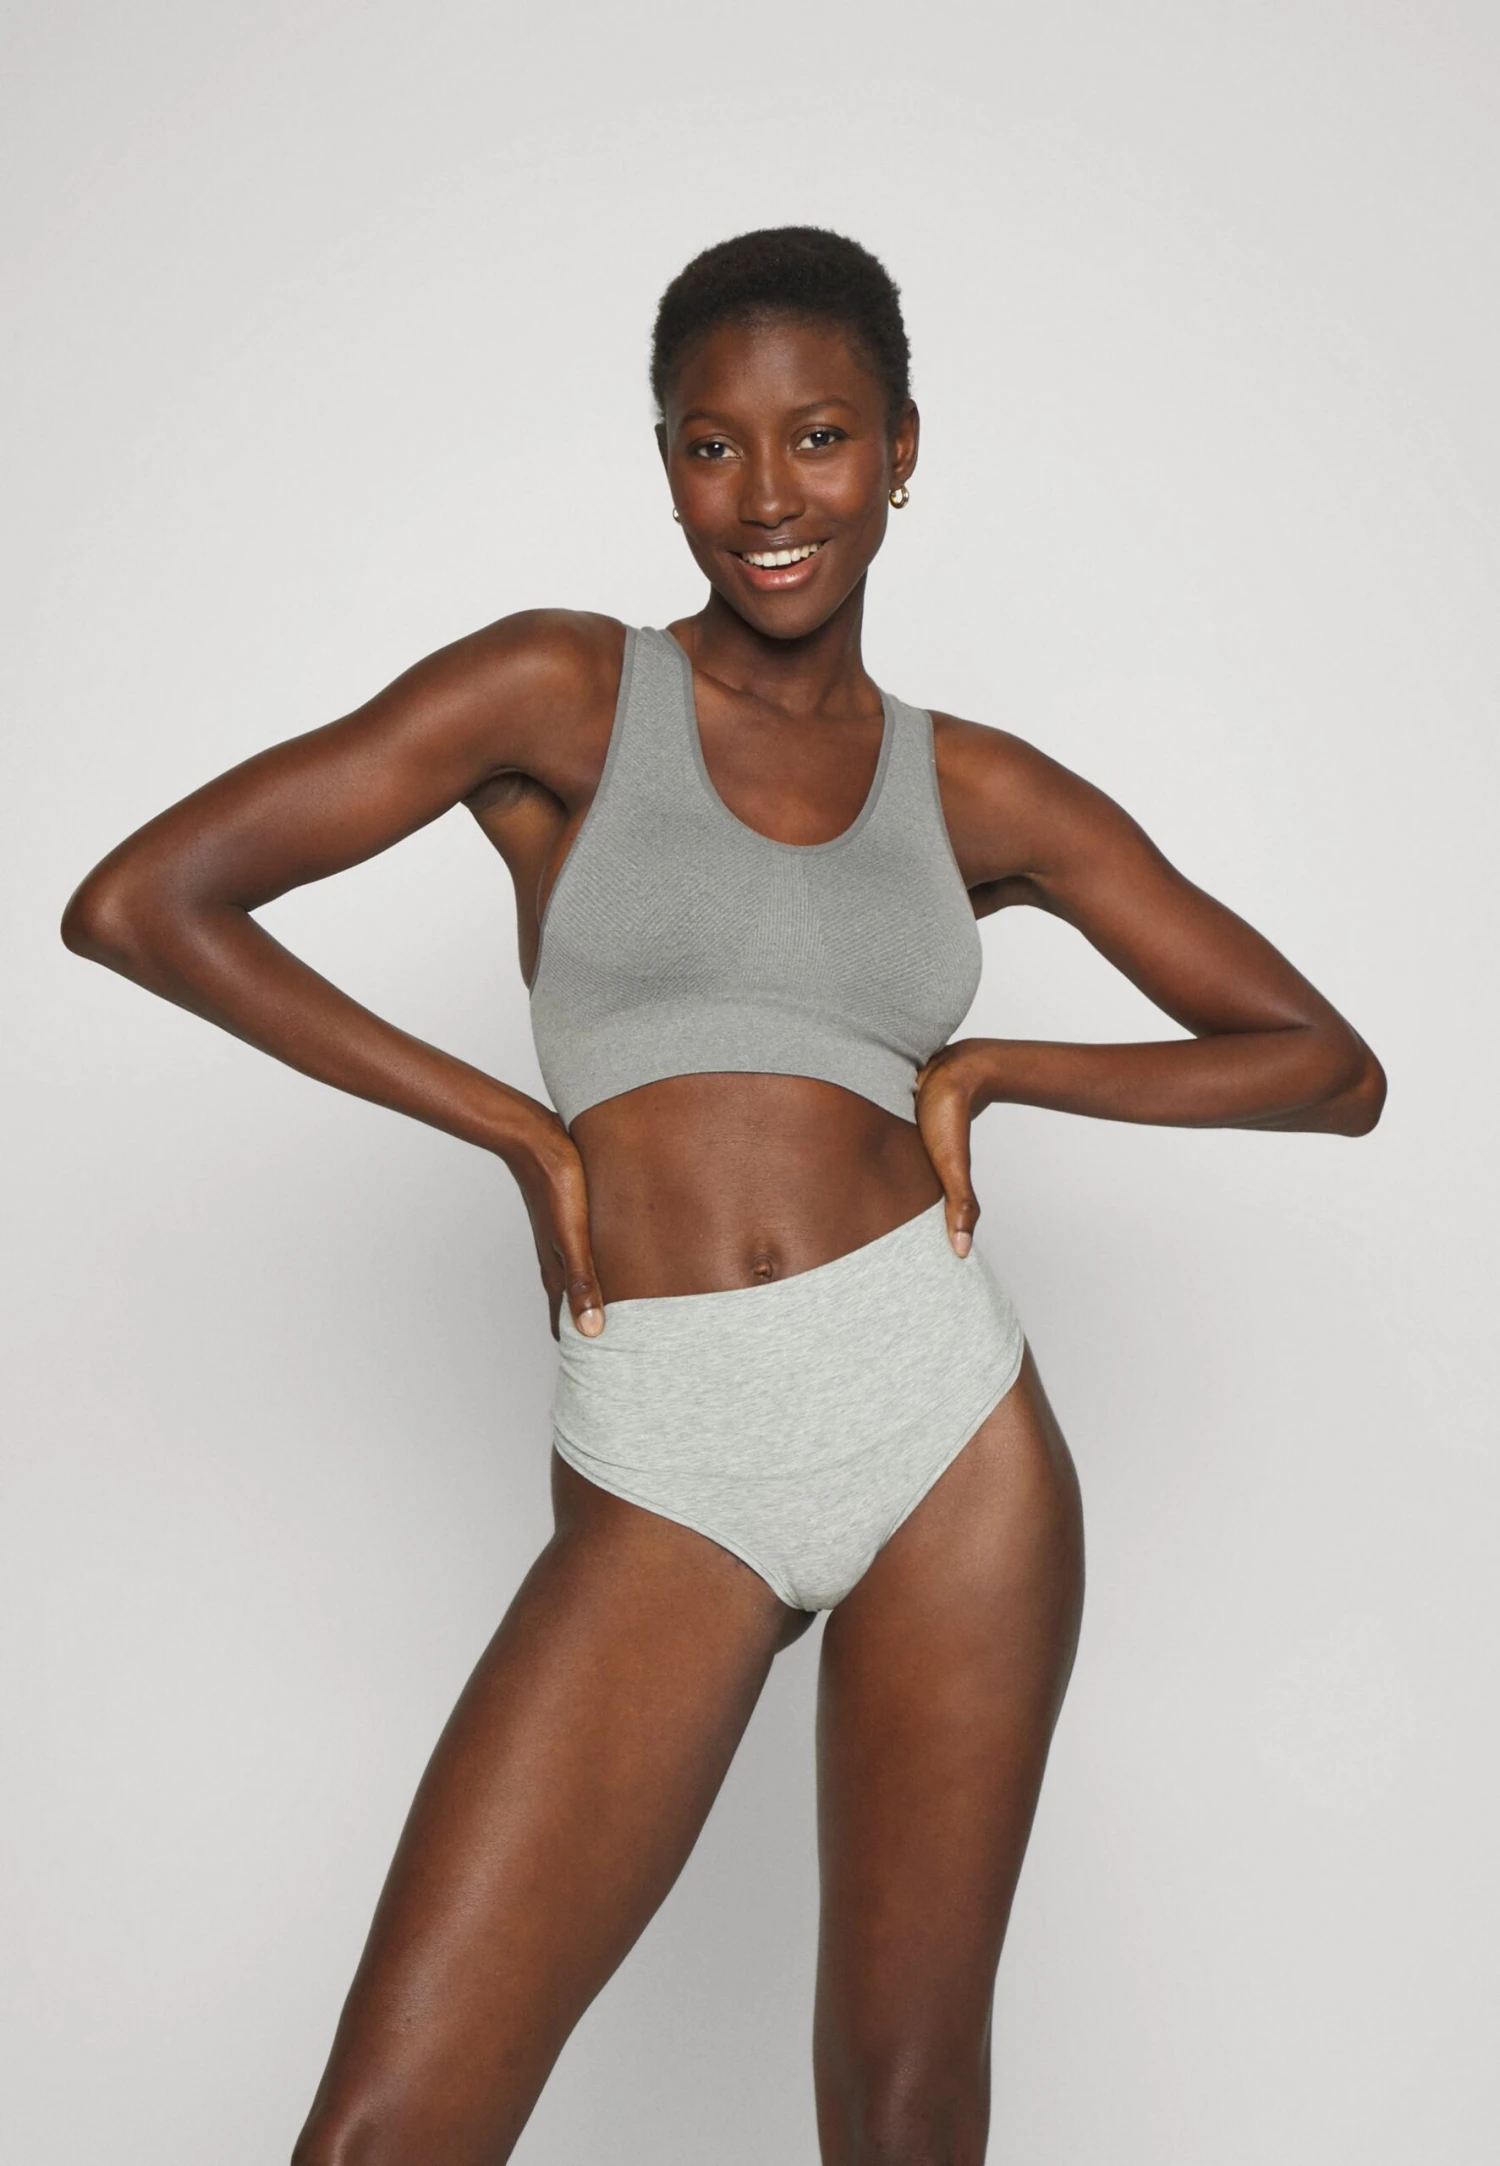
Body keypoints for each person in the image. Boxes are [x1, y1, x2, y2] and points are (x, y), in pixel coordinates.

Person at [61, 225, 1385, 2166]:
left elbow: (1328, 1067)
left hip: (947, 1422)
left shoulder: (976, 789)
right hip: (671, 1438)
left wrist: (997, 1069)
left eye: (821, 437)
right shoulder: (561, 691)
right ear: (667, 462)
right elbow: (142, 904)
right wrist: (517, 1130)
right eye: (712, 445)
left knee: (904, 2111)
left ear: (902, 450)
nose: (768, 497)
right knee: (392, 2128)